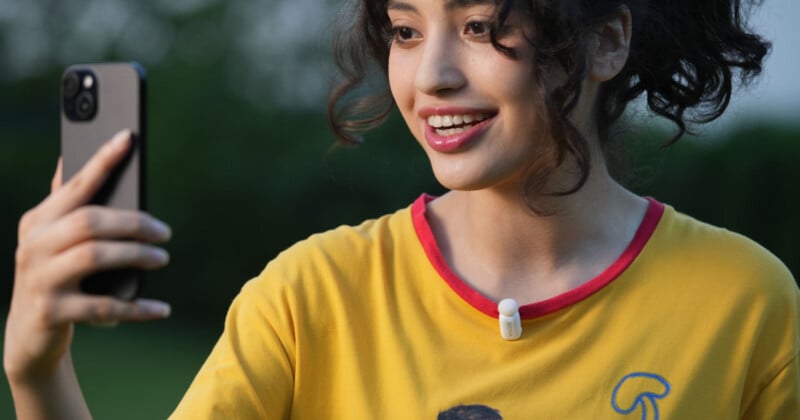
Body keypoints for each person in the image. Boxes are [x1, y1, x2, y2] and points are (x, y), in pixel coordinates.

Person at [4, 0, 798, 418]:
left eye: (481, 25)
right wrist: (37, 372)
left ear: (606, 43)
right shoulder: (309, 295)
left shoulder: (747, 302)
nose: (431, 77)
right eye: (405, 31)